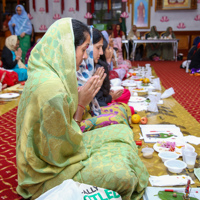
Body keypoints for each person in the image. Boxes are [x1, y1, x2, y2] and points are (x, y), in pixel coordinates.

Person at [16, 18, 149, 199]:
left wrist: (81, 103)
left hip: (54, 154)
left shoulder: (49, 73)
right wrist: (81, 104)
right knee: (123, 176)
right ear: (67, 48)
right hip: (44, 175)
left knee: (120, 131)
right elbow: (61, 152)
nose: (86, 56)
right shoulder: (52, 89)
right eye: (83, 49)